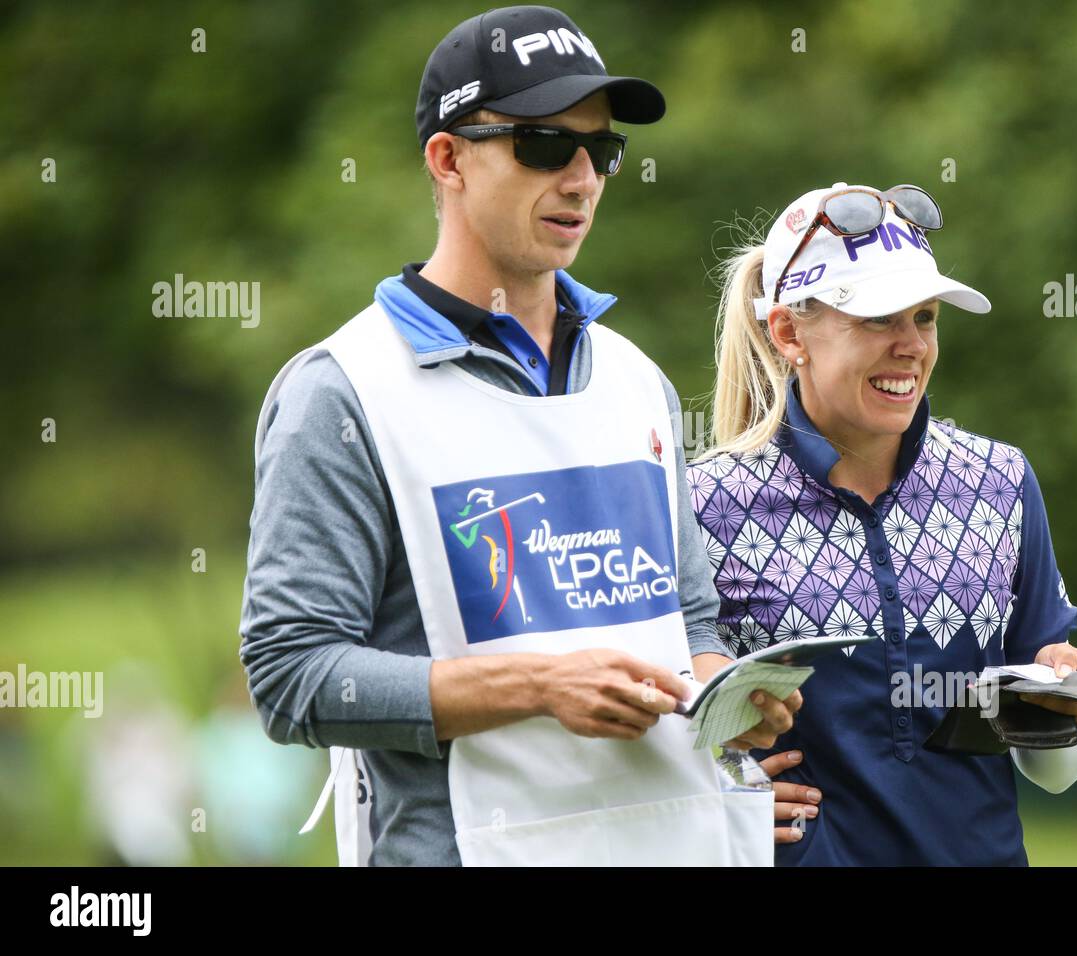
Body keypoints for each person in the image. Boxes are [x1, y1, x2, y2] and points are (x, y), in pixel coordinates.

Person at [239, 5, 793, 867]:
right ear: (448, 158)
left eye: (601, 151)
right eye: (543, 146)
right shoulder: (341, 392)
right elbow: (291, 676)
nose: (582, 179)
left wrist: (725, 686)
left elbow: (687, 617)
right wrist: (539, 687)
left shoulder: (634, 376)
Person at [687, 182, 1077, 865]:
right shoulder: (704, 504)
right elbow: (661, 732)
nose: (911, 345)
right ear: (790, 332)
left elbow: (1054, 771)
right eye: (879, 319)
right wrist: (718, 799)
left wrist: (1063, 702)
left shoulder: (999, 482)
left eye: (926, 317)